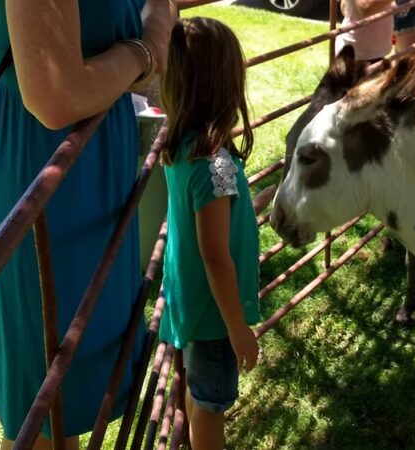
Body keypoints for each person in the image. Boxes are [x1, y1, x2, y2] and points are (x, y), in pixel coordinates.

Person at [0, 1, 175, 449]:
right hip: (36, 173)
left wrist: (152, 31)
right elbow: (56, 95)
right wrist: (144, 51)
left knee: (60, 412)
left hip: (86, 171)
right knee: (44, 413)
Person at [158, 17, 261, 450]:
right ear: (224, 85)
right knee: (211, 406)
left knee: (196, 391)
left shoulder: (182, 148)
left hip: (190, 302)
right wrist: (238, 326)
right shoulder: (214, 162)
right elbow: (215, 255)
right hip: (215, 315)